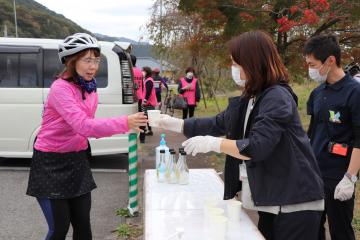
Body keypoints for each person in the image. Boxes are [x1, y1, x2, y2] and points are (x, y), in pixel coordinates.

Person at [157, 30, 324, 240]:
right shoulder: (251, 97)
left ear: (252, 63)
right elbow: (217, 122)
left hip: (296, 200)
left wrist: (214, 144)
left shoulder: (277, 97)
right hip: (274, 199)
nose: (233, 69)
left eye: (236, 63)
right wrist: (177, 124)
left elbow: (257, 147)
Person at [26, 33, 148, 240]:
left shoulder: (90, 88)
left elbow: (89, 126)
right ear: (71, 62)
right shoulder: (60, 89)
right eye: (87, 60)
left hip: (77, 160)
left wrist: (119, 125)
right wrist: (125, 123)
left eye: (96, 60)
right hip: (50, 163)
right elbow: (84, 125)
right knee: (59, 228)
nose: (93, 66)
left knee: (83, 225)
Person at [304, 34, 360, 240]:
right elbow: (312, 133)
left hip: (338, 176)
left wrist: (350, 177)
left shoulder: (354, 92)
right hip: (314, 173)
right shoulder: (317, 93)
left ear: (330, 60)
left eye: (312, 64)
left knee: (341, 231)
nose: (309, 69)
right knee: (313, 229)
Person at [140, 66, 158, 142]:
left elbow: (148, 92)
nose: (142, 72)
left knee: (147, 117)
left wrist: (145, 100)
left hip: (149, 102)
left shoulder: (149, 81)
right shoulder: (147, 80)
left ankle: (148, 130)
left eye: (143, 71)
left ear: (147, 72)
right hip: (148, 102)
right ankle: (149, 130)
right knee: (147, 117)